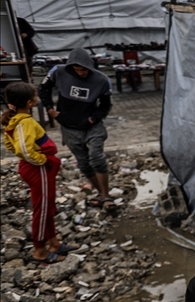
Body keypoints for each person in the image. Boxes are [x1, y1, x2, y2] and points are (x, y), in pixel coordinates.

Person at [2, 82, 74, 264]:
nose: (37, 98)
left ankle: (54, 243)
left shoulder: (14, 120)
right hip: (37, 167)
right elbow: (24, 150)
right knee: (42, 209)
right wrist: (42, 160)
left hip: (33, 166)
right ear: (29, 102)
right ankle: (40, 250)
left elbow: (10, 144)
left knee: (47, 205)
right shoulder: (25, 121)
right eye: (35, 95)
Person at [38, 48, 115, 212]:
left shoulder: (101, 80)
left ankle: (106, 195)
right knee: (84, 163)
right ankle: (101, 193)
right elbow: (43, 89)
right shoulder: (58, 72)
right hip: (69, 126)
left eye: (84, 69)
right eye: (77, 70)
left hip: (92, 126)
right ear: (71, 68)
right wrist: (50, 109)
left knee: (96, 157)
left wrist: (93, 118)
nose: (81, 73)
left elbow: (106, 105)